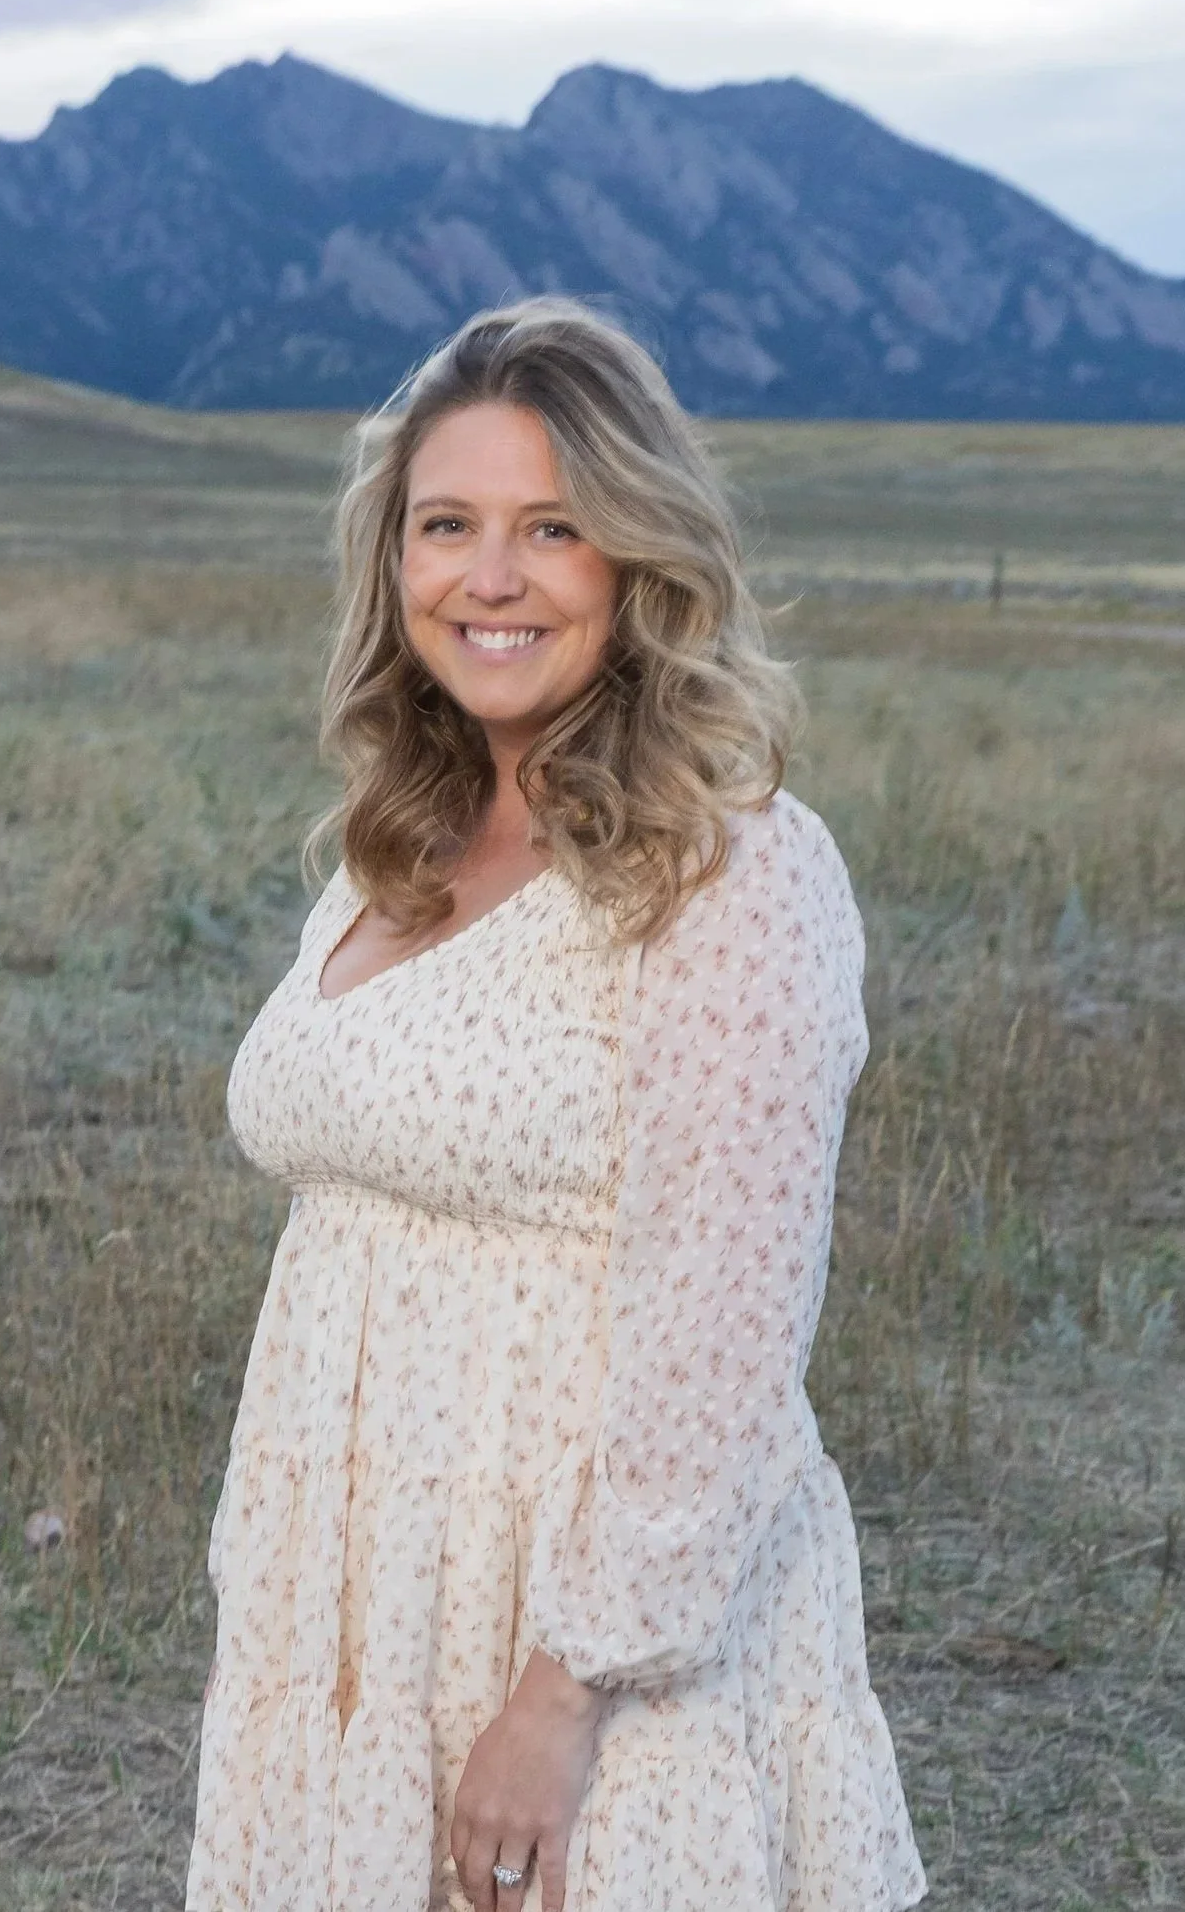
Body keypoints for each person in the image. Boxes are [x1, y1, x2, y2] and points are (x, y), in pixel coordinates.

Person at [185, 299, 927, 1912]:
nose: (491, 577)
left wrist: (566, 1690)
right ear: (396, 562)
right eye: (447, 525)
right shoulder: (404, 840)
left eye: (555, 529)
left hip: (577, 1626)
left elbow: (725, 1326)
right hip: (353, 1592)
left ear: (640, 564)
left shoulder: (727, 869)